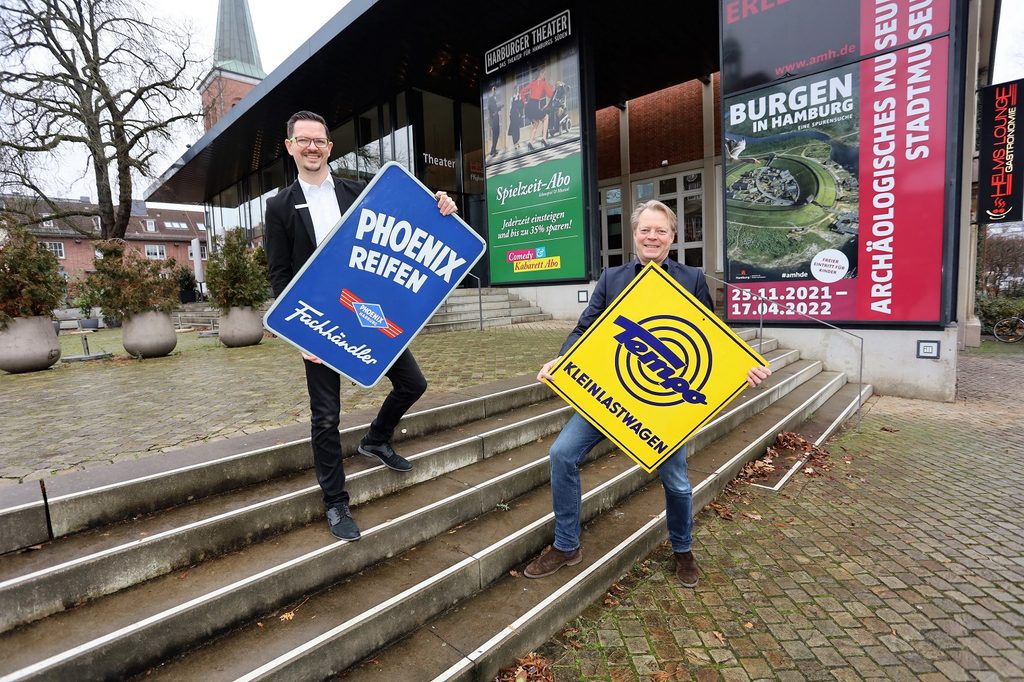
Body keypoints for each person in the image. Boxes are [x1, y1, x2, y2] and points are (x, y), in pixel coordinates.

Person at [524, 200, 772, 587]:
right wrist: (561, 361)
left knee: (677, 481)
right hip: (607, 391)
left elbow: (713, 338)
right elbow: (583, 328)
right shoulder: (612, 277)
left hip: (660, 402)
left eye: (660, 231)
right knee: (561, 454)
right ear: (634, 235)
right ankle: (566, 544)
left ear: (672, 237)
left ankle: (683, 549)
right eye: (645, 230)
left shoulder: (691, 278)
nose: (652, 237)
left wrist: (744, 369)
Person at [265, 110, 458, 542]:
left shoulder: (359, 191)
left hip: (367, 313)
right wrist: (299, 333)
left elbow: (410, 222)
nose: (312, 147)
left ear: (330, 147)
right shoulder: (279, 206)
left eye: (319, 140)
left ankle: (376, 439)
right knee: (325, 418)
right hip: (320, 323)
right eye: (304, 140)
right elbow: (279, 277)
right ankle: (336, 503)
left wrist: (441, 206)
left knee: (413, 383)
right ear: (290, 146)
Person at [520, 67, 553, 150]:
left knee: (536, 123)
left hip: (529, 107)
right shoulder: (543, 83)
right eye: (544, 74)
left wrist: (525, 102)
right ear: (540, 74)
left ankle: (530, 142)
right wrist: (552, 86)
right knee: (546, 117)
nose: (544, 75)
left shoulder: (533, 83)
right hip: (534, 105)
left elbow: (522, 91)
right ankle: (544, 139)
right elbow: (550, 95)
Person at [486, 85, 501, 157]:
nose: (494, 91)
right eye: (493, 90)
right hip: (493, 119)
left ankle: (492, 150)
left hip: (496, 118)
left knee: (497, 134)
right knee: (495, 134)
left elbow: (495, 108)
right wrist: (493, 113)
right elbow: (489, 107)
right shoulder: (490, 99)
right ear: (492, 91)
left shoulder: (495, 99)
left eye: (495, 90)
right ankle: (493, 151)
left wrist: (500, 107)